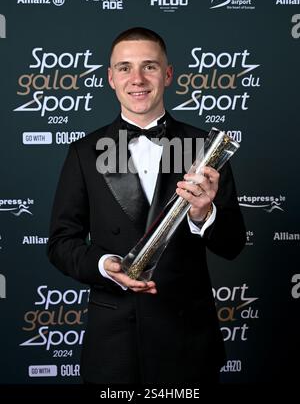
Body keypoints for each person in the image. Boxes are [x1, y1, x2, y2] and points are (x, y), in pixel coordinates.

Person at [47, 27, 246, 385]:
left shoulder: (205, 149)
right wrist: (106, 265)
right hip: (114, 346)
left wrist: (203, 215)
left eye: (149, 67)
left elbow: (233, 245)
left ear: (168, 74)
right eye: (124, 68)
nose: (137, 79)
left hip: (187, 342)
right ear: (110, 78)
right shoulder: (84, 152)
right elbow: (62, 243)